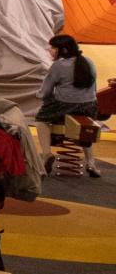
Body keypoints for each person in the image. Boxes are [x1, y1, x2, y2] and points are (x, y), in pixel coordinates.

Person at [38, 34, 101, 177]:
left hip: (65, 106)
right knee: (86, 129)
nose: (50, 50)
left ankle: (46, 154)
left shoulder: (58, 65)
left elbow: (46, 91)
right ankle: (91, 162)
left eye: (53, 47)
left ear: (64, 50)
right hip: (89, 107)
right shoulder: (89, 62)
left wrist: (39, 95)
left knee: (41, 119)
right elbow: (94, 89)